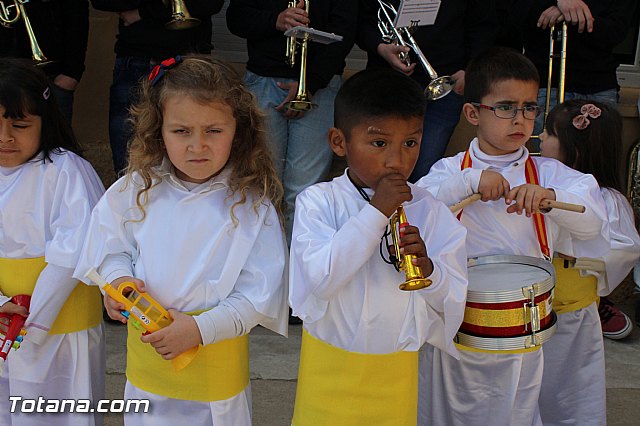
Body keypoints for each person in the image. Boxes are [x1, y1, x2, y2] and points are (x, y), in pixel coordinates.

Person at [74, 56, 288, 426]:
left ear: (239, 130)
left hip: (214, 374)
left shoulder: (251, 205)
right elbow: (111, 249)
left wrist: (199, 330)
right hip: (147, 370)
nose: (197, 146)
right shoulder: (136, 189)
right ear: (159, 131)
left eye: (214, 131)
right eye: (181, 131)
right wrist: (118, 282)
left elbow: (257, 295)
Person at [415, 47, 608, 426]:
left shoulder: (549, 173)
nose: (520, 119)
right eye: (505, 107)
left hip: (522, 328)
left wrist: (552, 200)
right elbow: (417, 212)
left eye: (529, 108)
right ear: (473, 113)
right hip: (459, 324)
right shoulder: (449, 170)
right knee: (452, 409)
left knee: (517, 409)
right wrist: (470, 181)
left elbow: (594, 220)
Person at [288, 68, 468, 425]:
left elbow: (454, 303)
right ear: (339, 142)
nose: (397, 160)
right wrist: (376, 213)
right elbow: (321, 280)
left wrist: (430, 272)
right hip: (329, 372)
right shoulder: (318, 203)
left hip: (395, 374)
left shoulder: (431, 211)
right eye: (380, 143)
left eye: (411, 143)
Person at [0, 58, 105, 425]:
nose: (5, 137)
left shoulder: (66, 171)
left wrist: (30, 323)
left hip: (56, 330)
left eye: (19, 124)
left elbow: (72, 254)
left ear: (44, 122)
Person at [536, 100, 640, 424]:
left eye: (548, 132)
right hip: (531, 310)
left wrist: (583, 250)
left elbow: (623, 247)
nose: (539, 137)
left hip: (572, 313)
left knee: (571, 389)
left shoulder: (607, 200)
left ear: (573, 149)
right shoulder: (537, 188)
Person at [226, 0, 357, 242]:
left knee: (303, 194)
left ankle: (297, 274)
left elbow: (347, 30)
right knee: (261, 188)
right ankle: (263, 272)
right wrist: (274, 20)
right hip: (263, 81)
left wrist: (311, 82)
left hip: (321, 86)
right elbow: (236, 18)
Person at [357, 0, 497, 181]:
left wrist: (470, 69)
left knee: (425, 171)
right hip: (387, 86)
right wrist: (380, 47)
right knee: (382, 166)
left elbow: (483, 24)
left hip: (446, 86)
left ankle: (414, 209)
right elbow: (361, 20)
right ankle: (382, 209)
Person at [90, 0, 224, 175]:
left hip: (189, 56)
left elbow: (209, 4)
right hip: (136, 59)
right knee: (128, 154)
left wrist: (143, 12)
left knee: (190, 143)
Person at [515, 0, 638, 135]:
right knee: (546, 153)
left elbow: (615, 31)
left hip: (597, 86)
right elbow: (519, 15)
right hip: (546, 83)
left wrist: (568, 12)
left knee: (596, 154)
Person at [0, 0, 90, 125]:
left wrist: (71, 74)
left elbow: (77, 17)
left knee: (54, 139)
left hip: (52, 78)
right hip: (4, 74)